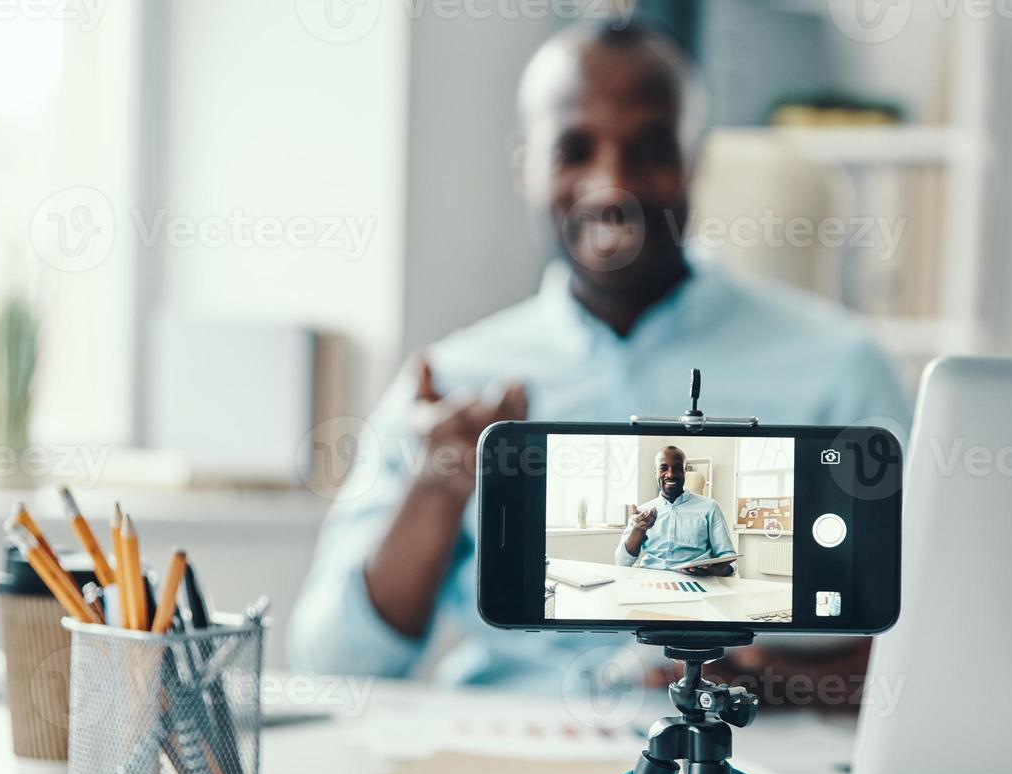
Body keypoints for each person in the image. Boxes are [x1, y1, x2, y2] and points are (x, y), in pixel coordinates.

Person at [289, 22, 910, 688]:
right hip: (499, 751)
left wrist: (766, 678)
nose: (611, 184)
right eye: (573, 149)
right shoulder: (450, 385)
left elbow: (933, 638)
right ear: (525, 164)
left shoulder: (840, 369)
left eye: (648, 149)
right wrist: (434, 494)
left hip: (743, 756)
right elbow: (336, 668)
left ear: (695, 161)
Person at [617, 446, 737, 575]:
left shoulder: (710, 507)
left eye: (677, 468)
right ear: (655, 472)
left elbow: (728, 558)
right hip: (651, 579)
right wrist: (639, 529)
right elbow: (623, 562)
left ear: (685, 471)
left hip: (696, 580)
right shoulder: (642, 513)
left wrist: (713, 570)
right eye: (663, 468)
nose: (670, 474)